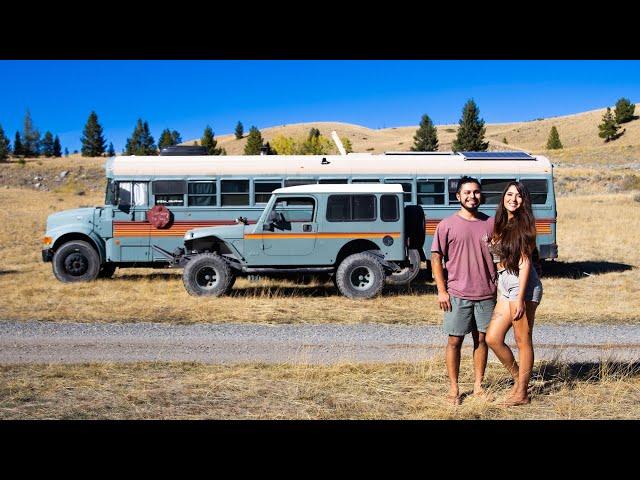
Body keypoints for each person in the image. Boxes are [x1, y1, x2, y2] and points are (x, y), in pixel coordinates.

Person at [431, 176, 497, 405]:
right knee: (454, 342)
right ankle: (454, 389)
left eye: (476, 192)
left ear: (481, 196)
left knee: (482, 340)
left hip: (487, 294)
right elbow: (436, 259)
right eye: (467, 192)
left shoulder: (490, 223)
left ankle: (478, 386)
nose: (472, 196)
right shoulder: (446, 225)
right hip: (457, 295)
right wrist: (442, 290)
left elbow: (500, 256)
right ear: (458, 196)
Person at [485, 181, 543, 406]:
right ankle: (521, 380)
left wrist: (519, 298)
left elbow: (525, 262)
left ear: (524, 201)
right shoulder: (500, 223)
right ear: (503, 197)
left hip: (523, 287)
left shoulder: (524, 225)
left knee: (522, 340)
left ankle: (522, 394)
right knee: (493, 338)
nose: (513, 199)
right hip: (505, 285)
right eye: (509, 194)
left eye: (518, 196)